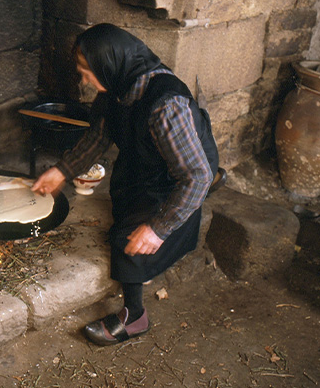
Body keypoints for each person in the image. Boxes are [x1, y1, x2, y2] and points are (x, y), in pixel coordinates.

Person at [31, 23, 219, 346]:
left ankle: (135, 316)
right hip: (152, 158)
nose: (84, 80)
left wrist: (158, 228)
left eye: (87, 71)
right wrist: (62, 171)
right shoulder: (116, 86)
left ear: (109, 65)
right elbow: (98, 137)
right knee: (123, 192)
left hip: (184, 170)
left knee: (129, 238)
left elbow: (194, 175)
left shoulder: (164, 105)